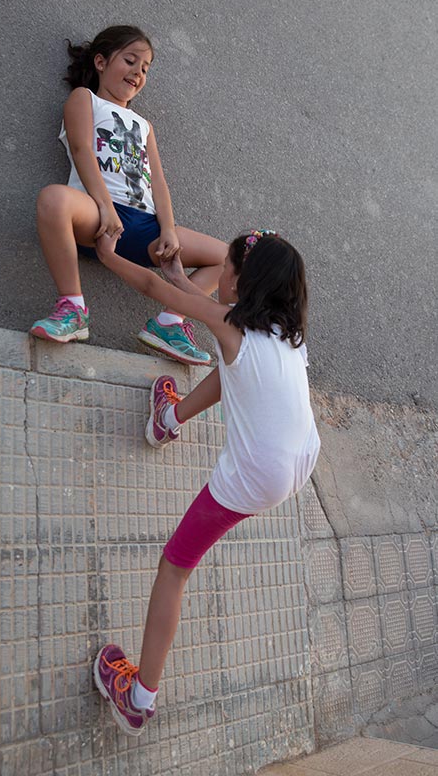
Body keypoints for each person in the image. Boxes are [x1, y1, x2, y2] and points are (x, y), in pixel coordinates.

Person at [91, 228, 321, 736]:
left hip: (257, 475)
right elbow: (212, 319)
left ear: (240, 286)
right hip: (297, 459)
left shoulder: (231, 324)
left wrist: (108, 257)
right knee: (228, 362)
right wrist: (180, 276)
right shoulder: (280, 331)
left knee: (174, 566)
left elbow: (156, 294)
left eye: (227, 270)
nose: (222, 275)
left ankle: (138, 697)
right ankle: (168, 419)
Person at [30, 24, 227, 365]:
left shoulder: (144, 125)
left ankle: (170, 322)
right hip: (94, 215)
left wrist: (168, 229)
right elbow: (81, 150)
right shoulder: (84, 99)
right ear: (102, 62)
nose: (138, 72)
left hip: (144, 227)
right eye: (130, 61)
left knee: (227, 257)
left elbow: (159, 183)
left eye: (145, 68)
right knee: (52, 198)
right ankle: (73, 308)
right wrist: (105, 209)